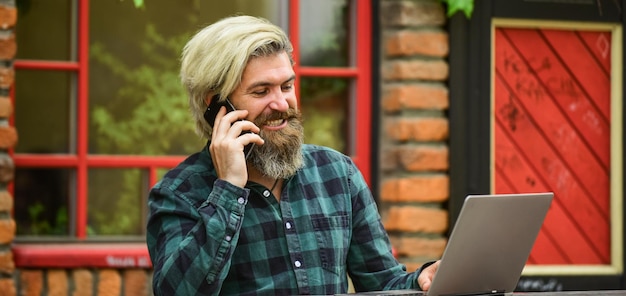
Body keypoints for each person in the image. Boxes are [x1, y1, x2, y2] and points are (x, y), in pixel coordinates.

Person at [146, 15, 440, 295]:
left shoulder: (338, 174)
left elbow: (382, 284)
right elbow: (176, 291)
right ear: (218, 106)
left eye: (286, 86)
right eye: (261, 91)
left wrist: (422, 280)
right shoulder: (179, 193)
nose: (281, 103)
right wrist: (228, 189)